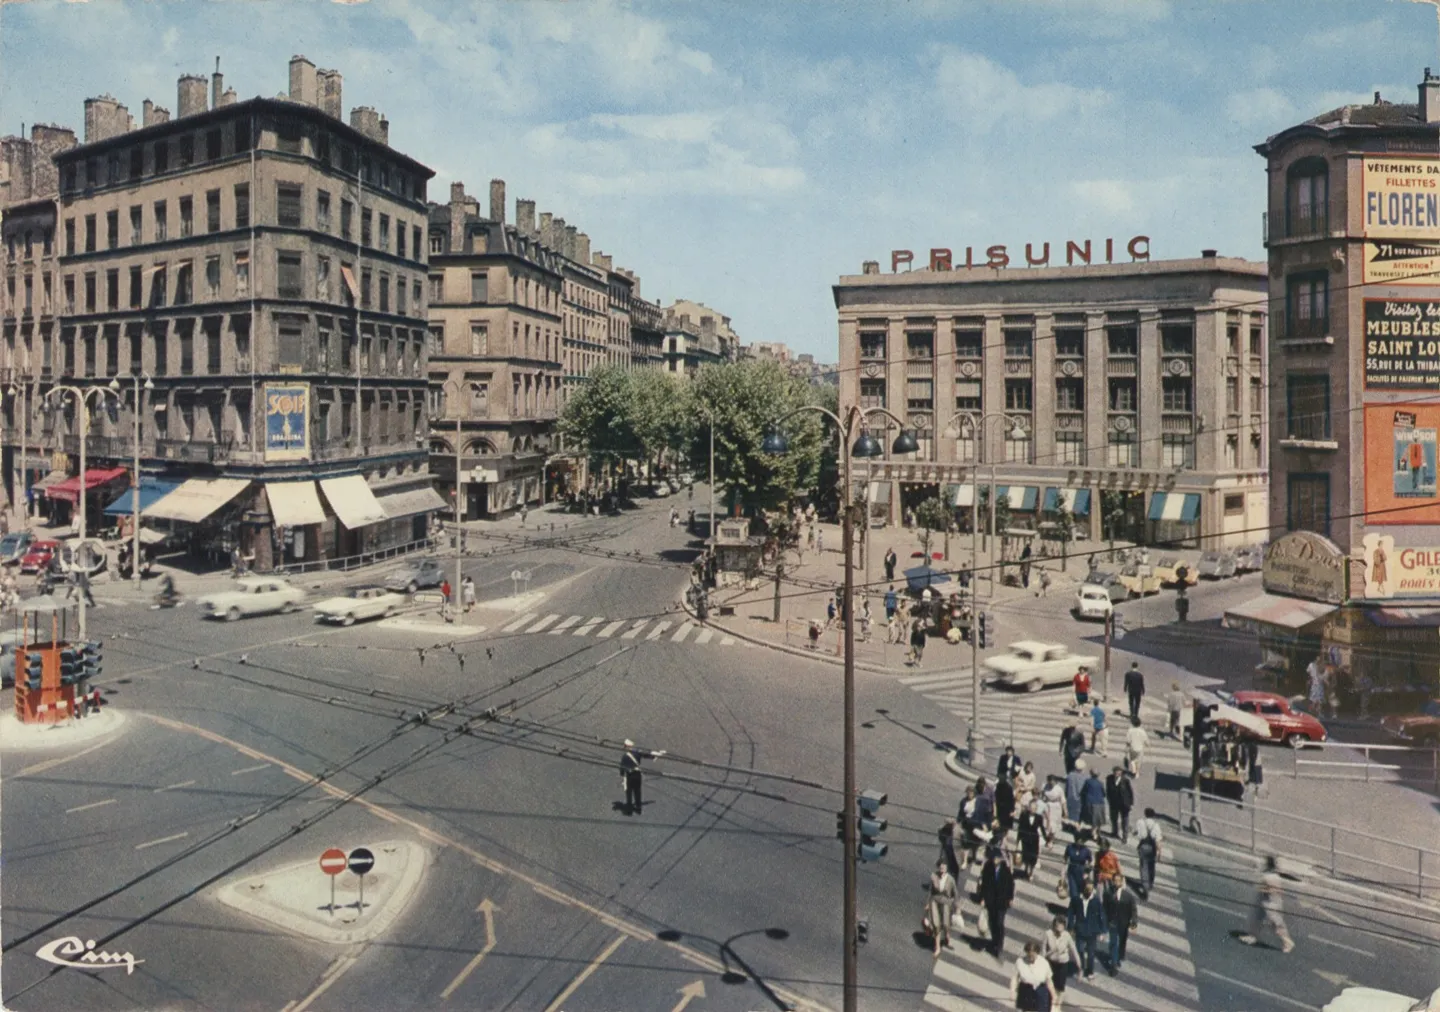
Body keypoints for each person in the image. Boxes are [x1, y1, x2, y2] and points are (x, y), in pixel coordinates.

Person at [1239, 856, 1295, 953]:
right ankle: (1252, 936)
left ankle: (1288, 942)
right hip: (1267, 902)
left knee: (1275, 925)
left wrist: (1261, 888)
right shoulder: (1274, 876)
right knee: (1256, 919)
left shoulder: (1269, 877)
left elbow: (1272, 890)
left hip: (1270, 904)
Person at [979, 846, 1015, 959]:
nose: (995, 860)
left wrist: (1010, 898)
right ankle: (994, 941)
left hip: (1002, 901)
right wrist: (983, 898)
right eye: (994, 858)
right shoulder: (987, 867)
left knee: (999, 923)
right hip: (991, 901)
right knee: (992, 922)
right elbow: (984, 884)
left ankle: (999, 945)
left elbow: (1011, 885)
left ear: (1000, 859)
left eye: (997, 858)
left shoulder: (1005, 870)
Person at [1066, 878, 1105, 980]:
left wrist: (1102, 931)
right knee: (1079, 951)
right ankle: (1081, 969)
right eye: (1087, 889)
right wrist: (1070, 927)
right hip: (1080, 929)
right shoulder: (1076, 899)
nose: (1089, 891)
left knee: (1091, 954)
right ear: (1083, 889)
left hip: (1092, 931)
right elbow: (1071, 913)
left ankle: (1090, 971)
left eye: (1091, 889)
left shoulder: (1096, 901)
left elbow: (1101, 915)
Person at [1040, 917, 1081, 1011]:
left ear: (1064, 927)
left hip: (1062, 963)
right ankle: (1049, 1003)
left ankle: (1058, 1005)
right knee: (1049, 984)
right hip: (1051, 962)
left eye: (1061, 926)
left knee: (1060, 986)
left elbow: (1074, 950)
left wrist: (1079, 964)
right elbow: (1043, 950)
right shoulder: (1048, 934)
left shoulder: (1066, 935)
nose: (1058, 929)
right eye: (1056, 926)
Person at [619, 738, 666, 816]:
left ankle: (629, 809)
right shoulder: (637, 752)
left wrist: (622, 775)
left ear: (626, 747)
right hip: (637, 774)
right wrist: (655, 756)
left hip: (629, 775)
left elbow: (622, 767)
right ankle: (638, 808)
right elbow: (646, 755)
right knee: (637, 791)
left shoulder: (624, 756)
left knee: (629, 791)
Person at [1104, 875, 1138, 976]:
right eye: (1115, 881)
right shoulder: (1108, 894)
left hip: (1124, 923)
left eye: (1119, 881)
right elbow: (1104, 908)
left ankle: (1119, 956)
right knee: (1113, 942)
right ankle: (1113, 965)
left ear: (1122, 882)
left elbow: (1133, 910)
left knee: (1122, 941)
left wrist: (1134, 922)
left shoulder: (1128, 896)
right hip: (1112, 922)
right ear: (1113, 881)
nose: (1117, 883)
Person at [1010, 941, 1057, 1012]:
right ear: (1026, 952)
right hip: (1026, 990)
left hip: (1041, 991)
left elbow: (1049, 981)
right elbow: (1014, 978)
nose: (1031, 957)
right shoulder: (1020, 962)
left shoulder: (1044, 963)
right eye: (1029, 955)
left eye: (1033, 955)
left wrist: (1054, 995)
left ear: (1037, 953)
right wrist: (1012, 991)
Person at [927, 859, 958, 957]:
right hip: (935, 901)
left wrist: (956, 906)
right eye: (940, 866)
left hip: (946, 902)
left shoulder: (951, 880)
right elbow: (931, 890)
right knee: (936, 924)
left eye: (944, 866)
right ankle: (938, 948)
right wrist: (928, 903)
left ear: (947, 868)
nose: (942, 868)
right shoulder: (934, 876)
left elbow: (955, 894)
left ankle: (947, 936)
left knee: (945, 923)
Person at [1132, 808, 1163, 898]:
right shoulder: (1156, 825)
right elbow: (1158, 841)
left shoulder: (1140, 822)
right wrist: (1159, 854)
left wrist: (1134, 833)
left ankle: (1145, 886)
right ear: (1153, 815)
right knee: (1151, 867)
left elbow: (1137, 832)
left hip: (1142, 846)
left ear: (1145, 814)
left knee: (1143, 867)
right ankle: (1150, 884)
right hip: (1152, 848)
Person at [1016, 799, 1044, 880]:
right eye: (1032, 808)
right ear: (1029, 808)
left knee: (1033, 858)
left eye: (1035, 808)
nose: (1033, 810)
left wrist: (1047, 839)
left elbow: (1041, 828)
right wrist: (1018, 840)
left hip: (1034, 840)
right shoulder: (1024, 815)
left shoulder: (1039, 817)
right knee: (1026, 857)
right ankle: (1026, 870)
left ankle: (1031, 872)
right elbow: (1020, 828)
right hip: (1026, 839)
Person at [1106, 765, 1135, 841]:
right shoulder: (1109, 779)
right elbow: (1108, 790)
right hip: (1114, 803)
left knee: (1125, 820)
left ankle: (1124, 836)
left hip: (1124, 804)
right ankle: (1114, 832)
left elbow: (1130, 792)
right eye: (1115, 772)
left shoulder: (1125, 780)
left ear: (1121, 773)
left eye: (1118, 772)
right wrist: (1109, 800)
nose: (1116, 774)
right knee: (1113, 819)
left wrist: (1131, 803)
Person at [1063, 830, 1093, 901]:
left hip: (1081, 873)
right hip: (1072, 872)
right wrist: (1063, 872)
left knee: (1080, 893)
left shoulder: (1086, 850)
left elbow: (1090, 862)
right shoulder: (1070, 847)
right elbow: (1065, 859)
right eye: (1079, 840)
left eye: (1082, 841)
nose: (1080, 842)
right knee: (1073, 893)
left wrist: (1087, 873)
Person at [1040, 776, 1065, 850]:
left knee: (1053, 826)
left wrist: (1065, 811)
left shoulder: (1059, 789)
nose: (1051, 783)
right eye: (1049, 781)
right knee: (1045, 823)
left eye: (1052, 781)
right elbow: (1042, 796)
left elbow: (1063, 800)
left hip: (1056, 808)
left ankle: (1051, 840)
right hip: (1047, 806)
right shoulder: (1045, 786)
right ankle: (1045, 839)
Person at [1081, 769, 1107, 839]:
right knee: (1098, 819)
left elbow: (1083, 791)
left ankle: (1094, 832)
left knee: (1093, 819)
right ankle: (1096, 832)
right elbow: (1104, 794)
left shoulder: (1087, 782)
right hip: (1099, 803)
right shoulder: (1100, 783)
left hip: (1090, 802)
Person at [1064, 759, 1088, 826]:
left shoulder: (1070, 775)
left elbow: (1067, 788)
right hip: (1080, 799)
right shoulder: (1085, 777)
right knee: (1079, 815)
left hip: (1071, 798)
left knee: (1072, 814)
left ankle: (1072, 826)